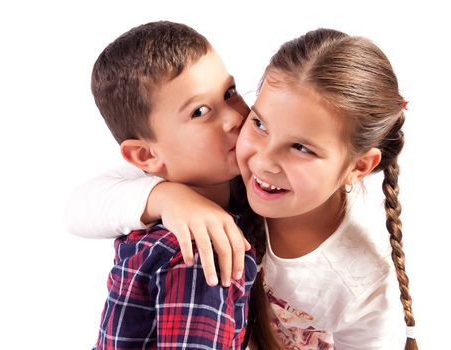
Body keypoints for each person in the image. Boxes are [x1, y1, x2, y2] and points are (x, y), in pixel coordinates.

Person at [68, 27, 418, 349]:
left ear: (359, 166)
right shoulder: (221, 176)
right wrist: (169, 197)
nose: (263, 160)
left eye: (301, 148)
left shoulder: (361, 281)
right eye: (261, 123)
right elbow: (77, 210)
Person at [84, 21, 259, 349]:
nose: (235, 117)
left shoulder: (234, 194)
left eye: (230, 93)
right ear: (146, 154)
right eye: (200, 111)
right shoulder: (201, 249)